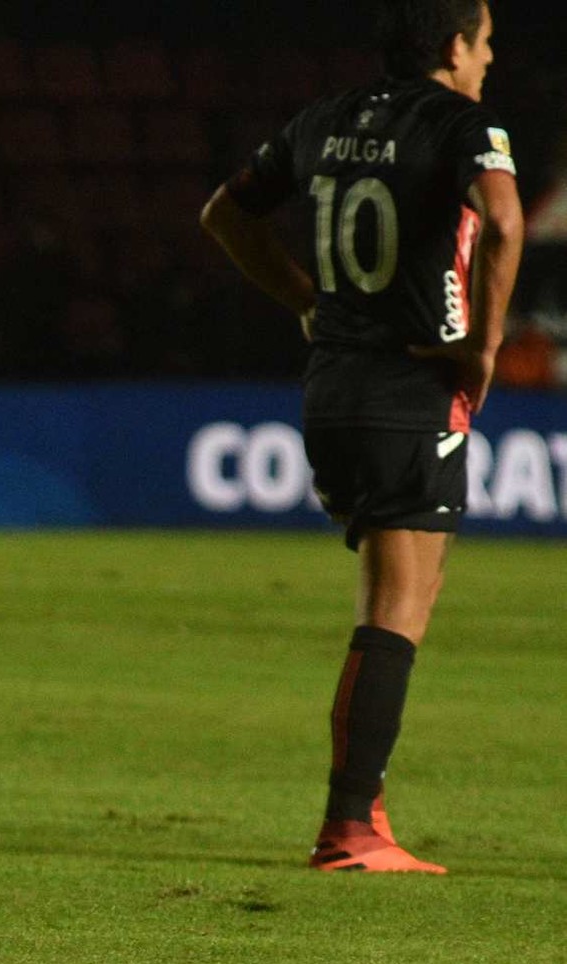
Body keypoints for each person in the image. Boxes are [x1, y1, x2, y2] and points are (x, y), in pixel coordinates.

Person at [201, 0, 523, 873]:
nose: (490, 59)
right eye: (485, 42)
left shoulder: (323, 119)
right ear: (453, 46)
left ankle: (360, 813)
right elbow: (501, 221)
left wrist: (305, 301)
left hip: (331, 387)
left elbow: (223, 214)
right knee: (395, 612)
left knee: (392, 598)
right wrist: (484, 345)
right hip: (410, 388)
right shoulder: (463, 124)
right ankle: (350, 825)